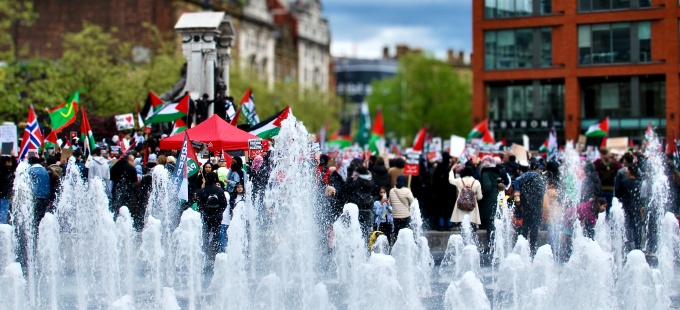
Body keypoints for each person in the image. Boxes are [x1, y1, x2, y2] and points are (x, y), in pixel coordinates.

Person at [515, 159, 545, 253]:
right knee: (534, 226)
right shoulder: (539, 178)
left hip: (526, 204)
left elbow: (518, 188)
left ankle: (523, 244)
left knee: (525, 225)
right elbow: (542, 191)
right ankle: (532, 246)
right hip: (536, 205)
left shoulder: (522, 177)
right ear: (538, 168)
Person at [197, 172, 229, 259]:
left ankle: (205, 254)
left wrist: (205, 213)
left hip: (206, 216)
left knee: (205, 235)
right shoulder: (219, 190)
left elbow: (200, 205)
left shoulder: (203, 191)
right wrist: (219, 212)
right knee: (217, 234)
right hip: (217, 216)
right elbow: (224, 204)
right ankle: (216, 253)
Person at [347, 166, 376, 237]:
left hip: (358, 205)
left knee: (357, 226)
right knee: (366, 227)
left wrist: (350, 178)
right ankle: (365, 243)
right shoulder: (371, 182)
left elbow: (347, 187)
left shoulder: (357, 182)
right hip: (368, 205)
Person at [478, 156, 500, 236]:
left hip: (489, 201)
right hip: (495, 198)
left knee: (490, 222)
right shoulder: (496, 172)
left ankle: (491, 244)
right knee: (494, 221)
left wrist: (480, 194)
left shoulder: (485, 173)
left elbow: (487, 187)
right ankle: (495, 244)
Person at [389, 175, 414, 240]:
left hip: (395, 216)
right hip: (405, 215)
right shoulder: (407, 191)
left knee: (397, 233)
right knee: (406, 233)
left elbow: (391, 203)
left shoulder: (392, 191)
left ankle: (396, 247)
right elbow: (413, 202)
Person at [0, 154, 17, 224]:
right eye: (9, 162)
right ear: (6, 162)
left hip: (2, 194)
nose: (10, 163)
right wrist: (13, 156)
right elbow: (15, 166)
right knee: (4, 212)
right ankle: (3, 229)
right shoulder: (9, 170)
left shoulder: (1, 170)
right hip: (5, 195)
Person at [218, 181, 232, 253]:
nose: (217, 186)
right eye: (216, 185)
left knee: (223, 238)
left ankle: (224, 252)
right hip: (220, 220)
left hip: (225, 220)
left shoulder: (225, 194)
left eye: (219, 185)